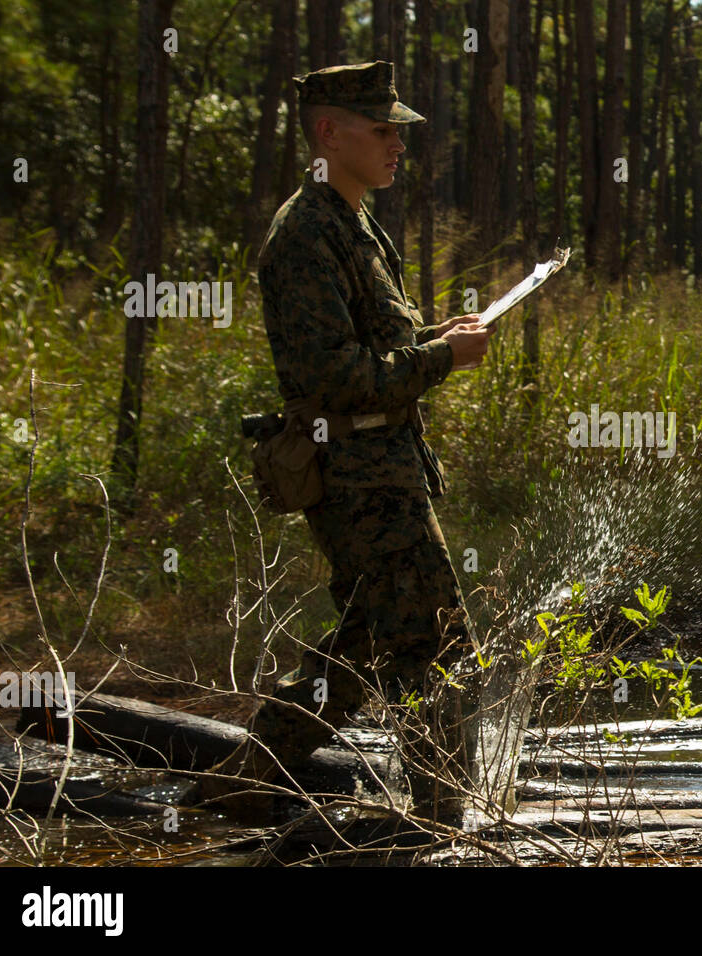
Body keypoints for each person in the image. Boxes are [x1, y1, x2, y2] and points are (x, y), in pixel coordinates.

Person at [196, 61, 493, 824]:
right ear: (329, 131)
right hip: (358, 475)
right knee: (432, 642)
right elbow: (332, 376)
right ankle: (443, 819)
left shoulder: (352, 219)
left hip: (385, 468)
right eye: (383, 128)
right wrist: (439, 359)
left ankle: (242, 778)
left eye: (399, 130)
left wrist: (436, 340)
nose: (399, 144)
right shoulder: (305, 233)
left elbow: (369, 349)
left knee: (364, 642)